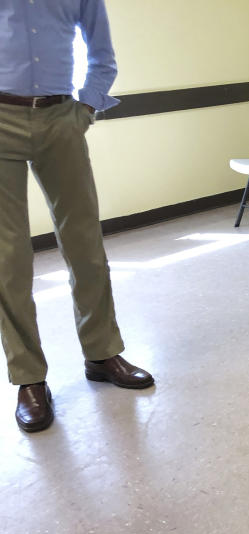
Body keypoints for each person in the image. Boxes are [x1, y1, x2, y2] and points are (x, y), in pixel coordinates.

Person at [0, 0, 154, 434]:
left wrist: (85, 108)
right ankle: (29, 378)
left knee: (84, 243)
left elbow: (102, 53)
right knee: (8, 257)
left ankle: (102, 353)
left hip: (61, 116)